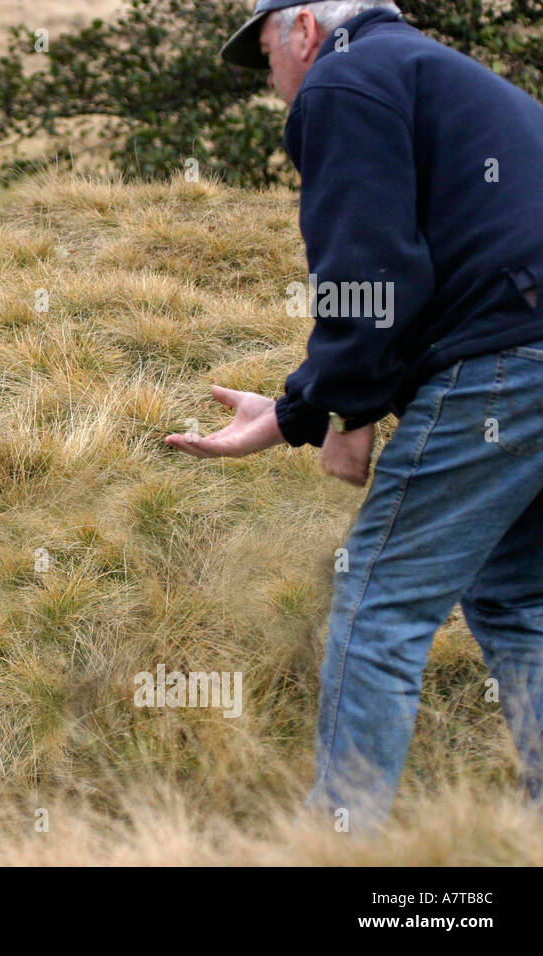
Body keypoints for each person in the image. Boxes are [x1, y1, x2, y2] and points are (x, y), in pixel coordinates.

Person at [165, 0, 543, 832]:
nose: (275, 86)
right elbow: (420, 278)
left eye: (267, 57)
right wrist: (307, 411)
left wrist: (349, 411)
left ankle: (342, 839)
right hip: (525, 357)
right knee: (519, 598)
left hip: (507, 366)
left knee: (379, 603)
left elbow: (371, 280)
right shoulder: (458, 81)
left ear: (304, 29)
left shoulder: (346, 80)